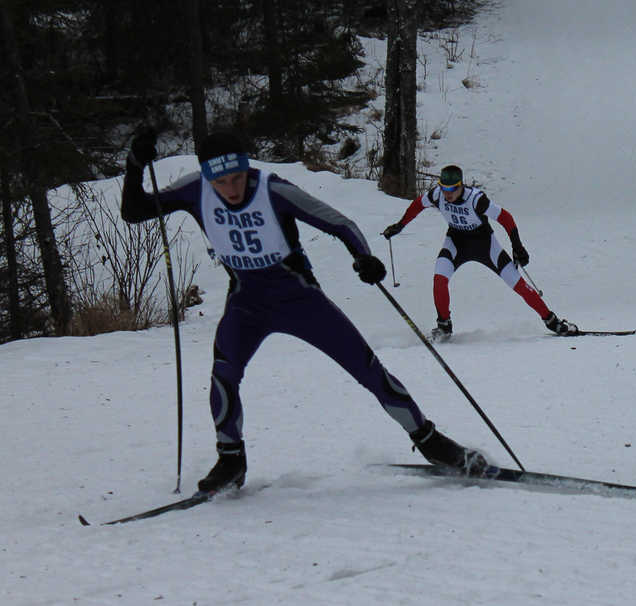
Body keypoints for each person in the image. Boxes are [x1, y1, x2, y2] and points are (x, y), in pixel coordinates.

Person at [121, 129, 487, 493]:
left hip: (301, 301)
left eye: (236, 178)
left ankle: (431, 442)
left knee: (368, 370)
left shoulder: (272, 190)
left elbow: (339, 223)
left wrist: (363, 256)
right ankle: (231, 459)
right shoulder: (193, 190)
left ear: (247, 169)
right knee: (223, 376)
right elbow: (134, 211)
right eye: (221, 181)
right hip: (247, 304)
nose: (231, 189)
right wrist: (135, 164)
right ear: (207, 177)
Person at [382, 165, 577, 340]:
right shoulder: (437, 195)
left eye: (452, 189)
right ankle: (444, 326)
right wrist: (400, 225)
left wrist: (517, 246)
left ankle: (553, 322)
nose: (447, 193)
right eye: (443, 187)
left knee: (518, 284)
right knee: (439, 279)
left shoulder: (476, 199)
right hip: (456, 242)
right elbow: (417, 205)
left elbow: (505, 217)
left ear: (461, 186)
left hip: (485, 244)